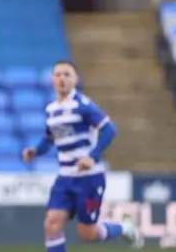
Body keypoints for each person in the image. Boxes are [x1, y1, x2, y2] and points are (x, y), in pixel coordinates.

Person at [22, 61, 144, 252]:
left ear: (75, 79)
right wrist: (35, 151)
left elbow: (109, 130)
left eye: (67, 75)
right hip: (64, 178)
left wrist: (92, 157)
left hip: (89, 179)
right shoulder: (51, 109)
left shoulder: (83, 105)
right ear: (52, 79)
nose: (62, 79)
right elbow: (49, 138)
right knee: (52, 223)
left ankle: (124, 228)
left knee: (88, 234)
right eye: (57, 74)